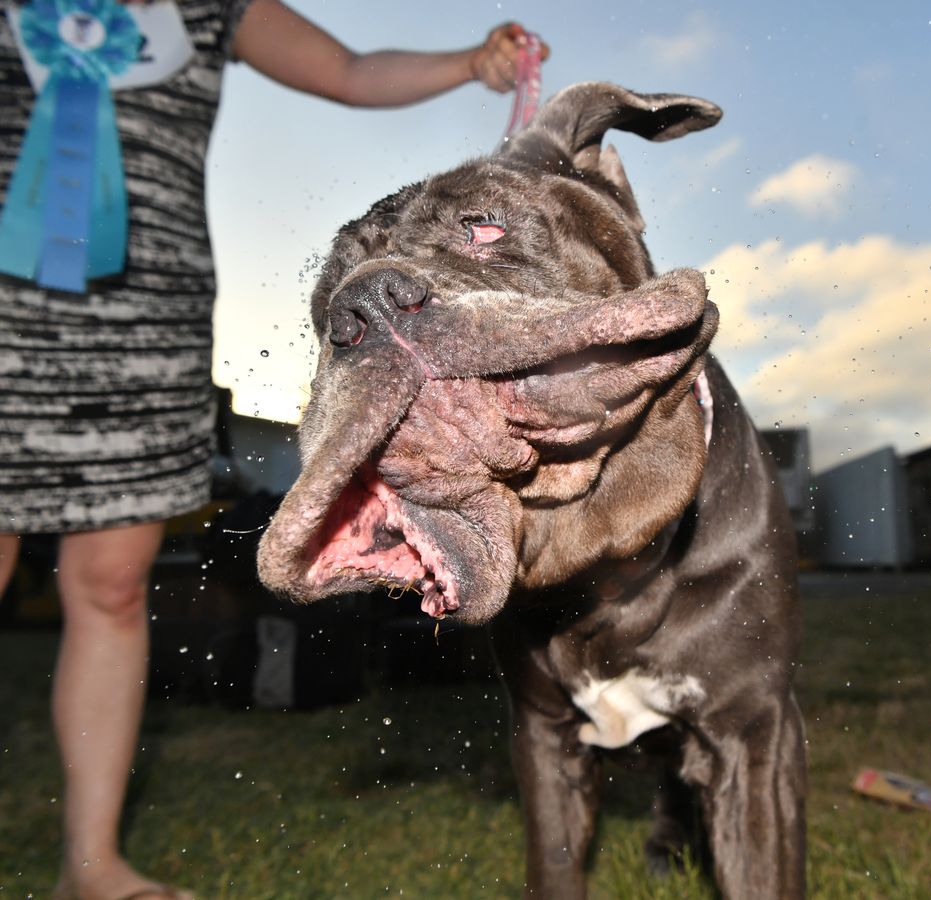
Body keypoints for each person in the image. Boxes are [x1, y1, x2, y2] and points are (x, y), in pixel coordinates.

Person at [0, 3, 549, 898]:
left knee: (111, 583)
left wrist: (471, 62)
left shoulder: (211, 7)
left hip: (150, 314)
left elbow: (351, 71)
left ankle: (90, 867)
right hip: (9, 299)